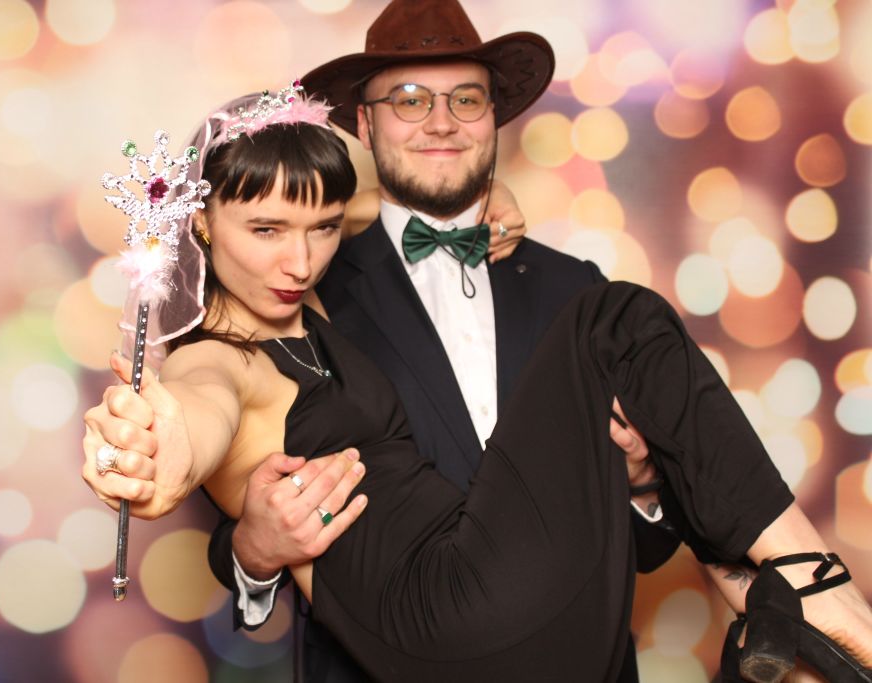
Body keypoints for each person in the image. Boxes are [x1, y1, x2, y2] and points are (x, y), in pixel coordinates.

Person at [82, 85, 872, 682]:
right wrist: (154, 453)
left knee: (606, 315)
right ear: (199, 223)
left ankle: (768, 597)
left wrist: (467, 199)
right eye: (265, 232)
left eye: (320, 229)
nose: (300, 260)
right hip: (447, 613)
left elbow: (341, 208)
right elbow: (197, 413)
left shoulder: (306, 291)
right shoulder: (216, 358)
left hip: (537, 615)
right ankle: (810, 588)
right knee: (613, 318)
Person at [203, 2, 679, 680]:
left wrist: (643, 485)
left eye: (466, 98)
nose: (441, 121)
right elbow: (233, 459)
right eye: (409, 99)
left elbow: (640, 550)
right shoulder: (300, 290)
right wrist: (253, 552)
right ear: (364, 124)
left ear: (492, 116)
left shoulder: (577, 292)